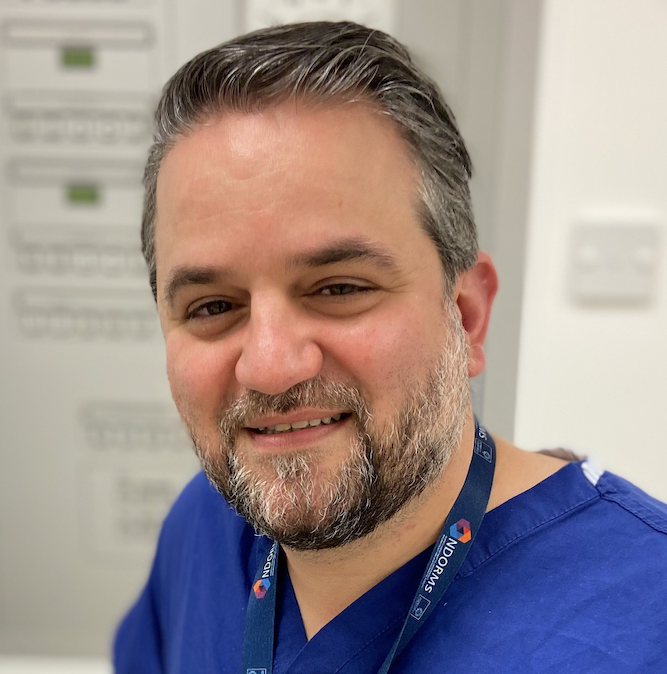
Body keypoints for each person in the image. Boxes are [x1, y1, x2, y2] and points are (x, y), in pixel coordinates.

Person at [114, 21, 667, 674]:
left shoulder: (642, 622)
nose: (268, 366)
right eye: (212, 307)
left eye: (339, 288)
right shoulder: (204, 535)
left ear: (467, 315)